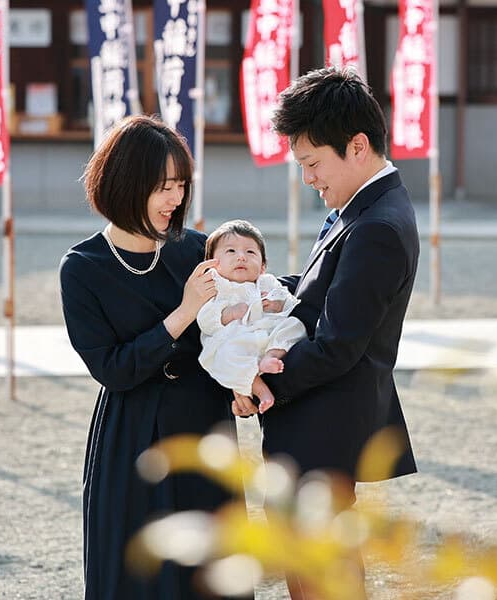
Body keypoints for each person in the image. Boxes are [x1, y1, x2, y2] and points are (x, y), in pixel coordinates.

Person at [231, 67, 419, 598]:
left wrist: (261, 384)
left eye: (312, 163)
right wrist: (256, 284)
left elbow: (338, 342)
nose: (308, 178)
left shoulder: (377, 225)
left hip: (325, 420)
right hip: (321, 418)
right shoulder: (360, 205)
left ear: (357, 146)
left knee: (321, 573)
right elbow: (321, 286)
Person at [59, 114, 235, 600]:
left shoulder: (198, 251)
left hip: (204, 428)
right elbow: (112, 369)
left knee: (211, 570)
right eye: (163, 187)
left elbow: (240, 327)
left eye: (181, 185)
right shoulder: (83, 268)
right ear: (126, 184)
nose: (176, 199)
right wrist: (181, 315)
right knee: (137, 575)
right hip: (132, 438)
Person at [196, 219, 307, 410]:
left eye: (250, 252)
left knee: (295, 325)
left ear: (263, 266)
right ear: (213, 264)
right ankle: (259, 388)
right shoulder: (216, 288)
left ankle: (271, 356)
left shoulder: (266, 283)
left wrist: (278, 304)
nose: (241, 257)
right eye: (231, 251)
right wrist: (228, 314)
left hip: (267, 334)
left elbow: (289, 301)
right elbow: (204, 320)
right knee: (225, 356)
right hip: (236, 341)